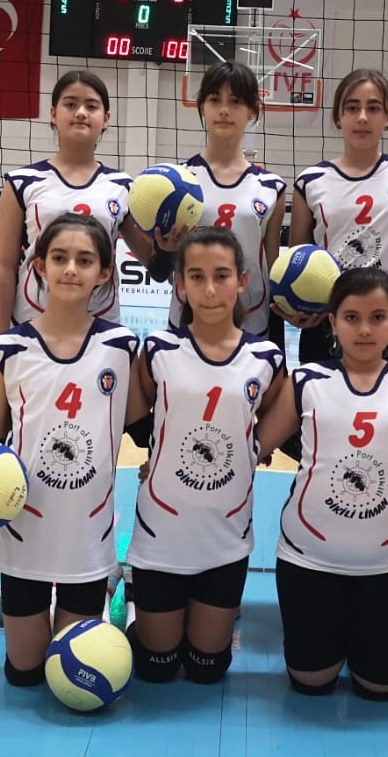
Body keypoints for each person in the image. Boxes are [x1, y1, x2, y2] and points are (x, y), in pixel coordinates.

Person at [0, 213, 151, 686]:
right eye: (59, 257)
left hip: (88, 535)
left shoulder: (121, 346)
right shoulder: (7, 350)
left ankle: (114, 588)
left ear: (105, 273)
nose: (71, 269)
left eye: (85, 260)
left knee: (71, 673)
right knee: (25, 673)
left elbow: (144, 429)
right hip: (25, 532)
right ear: (39, 266)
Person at [255, 267, 388, 701]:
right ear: (332, 322)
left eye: (377, 317)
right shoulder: (305, 381)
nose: (364, 329)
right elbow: (256, 446)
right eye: (351, 317)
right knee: (311, 682)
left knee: (380, 688)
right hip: (308, 561)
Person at [125, 226, 285, 685]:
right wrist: (161, 454)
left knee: (206, 669)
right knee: (156, 668)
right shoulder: (158, 350)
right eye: (196, 276)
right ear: (180, 285)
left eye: (221, 275)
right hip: (161, 533)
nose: (210, 289)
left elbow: (276, 417)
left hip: (225, 538)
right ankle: (132, 602)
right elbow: (136, 419)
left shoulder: (266, 357)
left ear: (242, 281)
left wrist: (250, 450)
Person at [0, 69, 159, 336]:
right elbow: (3, 266)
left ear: (106, 119)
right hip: (32, 320)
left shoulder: (124, 186)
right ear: (53, 114)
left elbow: (155, 265)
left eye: (91, 106)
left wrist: (167, 247)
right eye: (70, 104)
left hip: (101, 325)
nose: (80, 113)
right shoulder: (22, 182)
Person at [281, 68, 388, 365]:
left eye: (373, 108)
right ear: (338, 117)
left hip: (387, 308)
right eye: (352, 108)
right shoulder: (311, 181)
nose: (362, 117)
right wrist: (297, 306)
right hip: (328, 310)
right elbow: (299, 256)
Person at [154, 61, 286, 344]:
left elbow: (272, 267)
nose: (224, 110)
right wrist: (165, 251)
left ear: (252, 111)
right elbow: (160, 266)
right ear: (202, 107)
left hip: (253, 322)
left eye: (235, 101)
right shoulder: (176, 180)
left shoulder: (271, 187)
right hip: (188, 319)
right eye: (215, 100)